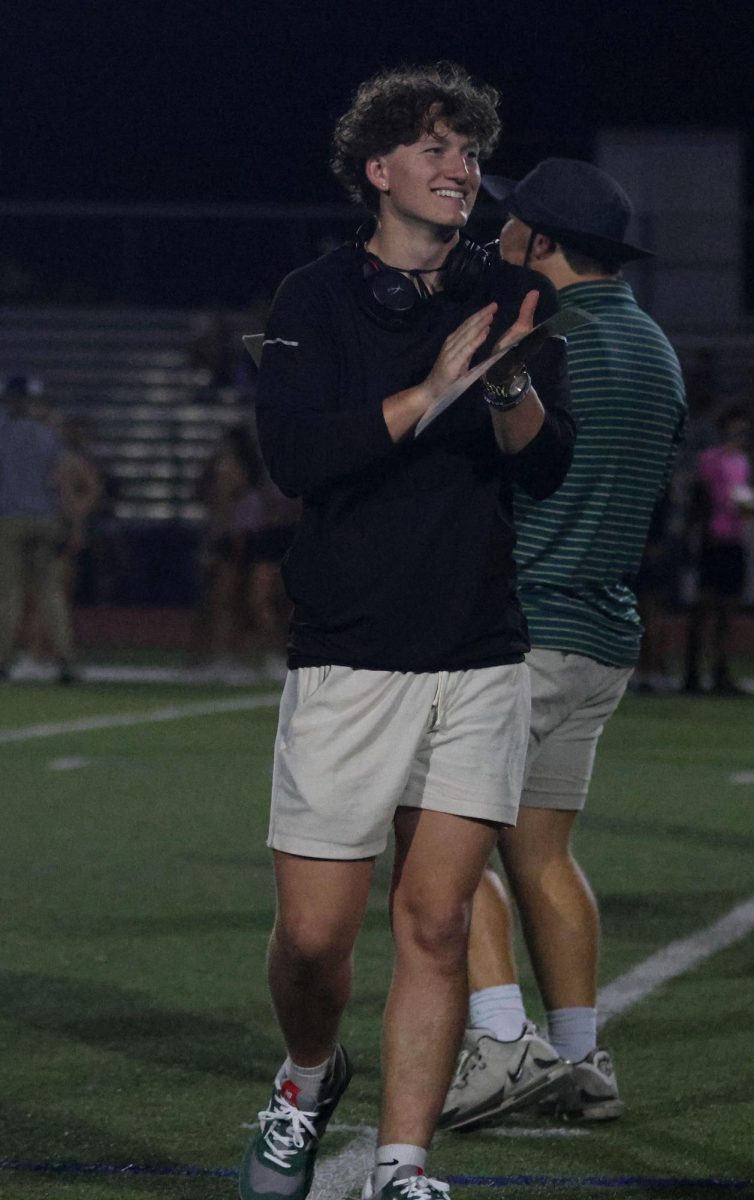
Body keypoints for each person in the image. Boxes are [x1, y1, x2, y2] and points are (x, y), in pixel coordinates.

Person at [239, 65, 575, 1200]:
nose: (458, 169)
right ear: (376, 171)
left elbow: (550, 461)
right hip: (346, 649)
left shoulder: (510, 293)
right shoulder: (312, 298)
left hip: (478, 650)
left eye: (470, 153)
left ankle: (402, 1164)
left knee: (434, 922)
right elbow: (298, 457)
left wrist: (509, 391)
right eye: (434, 149)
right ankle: (304, 1076)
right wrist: (433, 387)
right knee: (314, 940)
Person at [439, 158, 687, 1132]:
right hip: (599, 628)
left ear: (540, 243)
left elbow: (507, 464)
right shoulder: (654, 344)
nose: (496, 241)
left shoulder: (549, 336)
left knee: (434, 837)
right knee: (541, 851)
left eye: (509, 230)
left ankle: (501, 1041)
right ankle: (582, 1064)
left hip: (525, 622)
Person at [0, 377, 79, 683]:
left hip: (9, 519)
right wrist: (71, 523)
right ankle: (66, 660)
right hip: (45, 519)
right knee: (51, 594)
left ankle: (3, 660)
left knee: (9, 595)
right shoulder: (47, 435)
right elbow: (61, 482)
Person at [683, 404, 753, 695]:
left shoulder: (742, 463)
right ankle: (693, 673)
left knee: (727, 610)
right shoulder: (710, 460)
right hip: (713, 541)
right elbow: (702, 497)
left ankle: (720, 672)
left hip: (734, 541)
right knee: (704, 609)